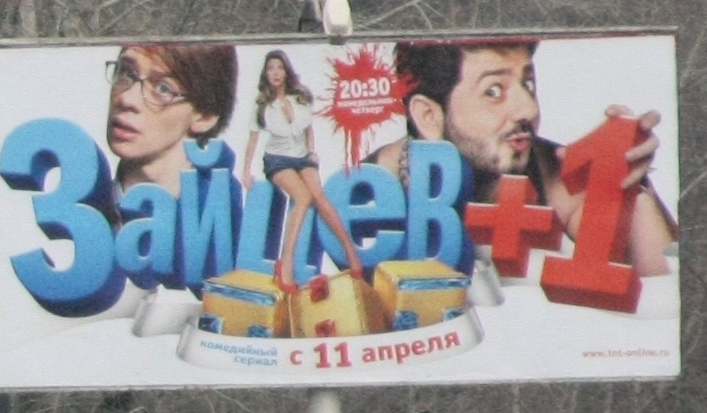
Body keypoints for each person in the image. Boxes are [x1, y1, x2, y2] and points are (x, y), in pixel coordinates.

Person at [393, 38, 674, 278]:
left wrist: (632, 185)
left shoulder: (561, 180)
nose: (527, 109)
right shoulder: (372, 191)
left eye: (527, 83)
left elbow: (670, 293)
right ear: (428, 116)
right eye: (493, 91)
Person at [250, 52, 363, 282]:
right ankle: (286, 263)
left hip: (302, 156)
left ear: (286, 71)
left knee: (319, 196)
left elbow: (308, 129)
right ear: (266, 73)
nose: (275, 73)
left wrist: (312, 150)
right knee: (302, 197)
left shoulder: (300, 98)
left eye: (279, 68)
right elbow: (253, 140)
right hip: (277, 159)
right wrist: (245, 171)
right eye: (270, 68)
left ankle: (350, 251)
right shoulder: (262, 105)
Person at [104, 41, 236, 197]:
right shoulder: (75, 214)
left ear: (205, 117)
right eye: (127, 73)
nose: (126, 99)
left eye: (163, 88)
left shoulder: (235, 217)